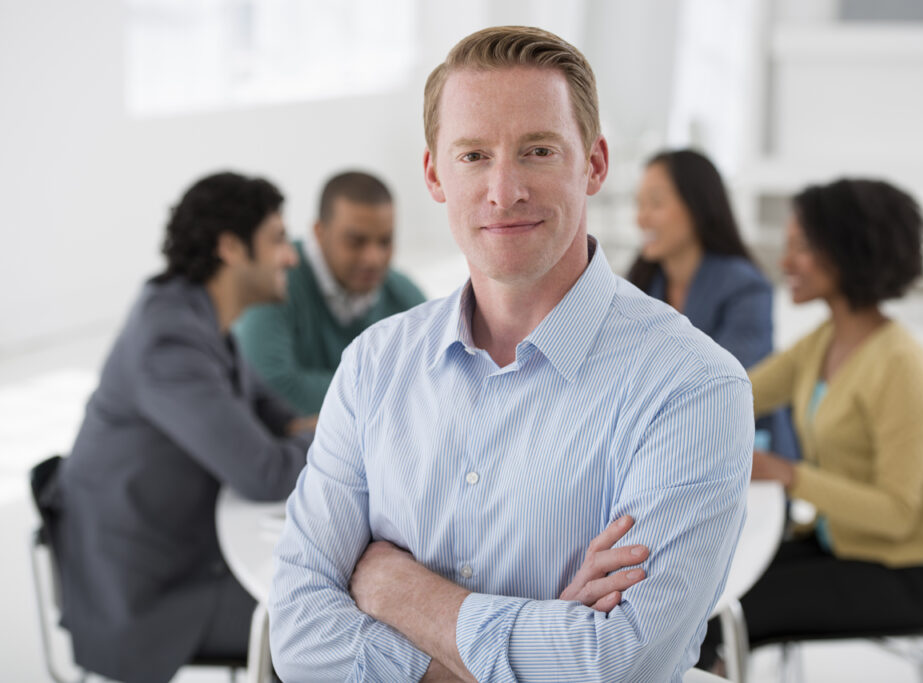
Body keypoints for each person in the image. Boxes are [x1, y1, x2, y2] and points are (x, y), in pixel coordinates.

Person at [269, 26, 753, 682]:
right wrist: (539, 645)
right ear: (435, 173)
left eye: (537, 150)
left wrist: (398, 591)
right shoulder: (372, 367)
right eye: (473, 155)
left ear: (595, 164)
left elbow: (619, 662)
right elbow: (297, 633)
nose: (504, 190)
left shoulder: (693, 386)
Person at [47, 172, 315, 683]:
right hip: (148, 598)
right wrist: (335, 437)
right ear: (232, 247)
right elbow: (263, 471)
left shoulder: (194, 312)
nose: (291, 257)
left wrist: (301, 427)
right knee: (320, 619)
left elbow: (270, 411)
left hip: (181, 551)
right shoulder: (168, 337)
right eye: (278, 240)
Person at [698, 178, 923, 668]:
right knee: (702, 586)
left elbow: (898, 512)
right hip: (839, 545)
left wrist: (789, 474)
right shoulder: (825, 341)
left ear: (847, 250)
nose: (784, 262)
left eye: (800, 246)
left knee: (714, 616)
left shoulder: (899, 363)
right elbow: (733, 397)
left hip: (902, 571)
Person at [628, 148, 799, 460]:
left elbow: (722, 383)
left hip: (743, 456)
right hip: (667, 454)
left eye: (656, 203)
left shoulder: (746, 286)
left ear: (696, 206)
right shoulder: (640, 288)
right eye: (639, 204)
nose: (641, 217)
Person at [234, 170, 426, 415]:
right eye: (356, 241)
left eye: (385, 242)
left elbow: (441, 382)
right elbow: (271, 386)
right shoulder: (275, 281)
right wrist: (396, 390)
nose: (373, 259)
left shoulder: (403, 295)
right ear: (319, 231)